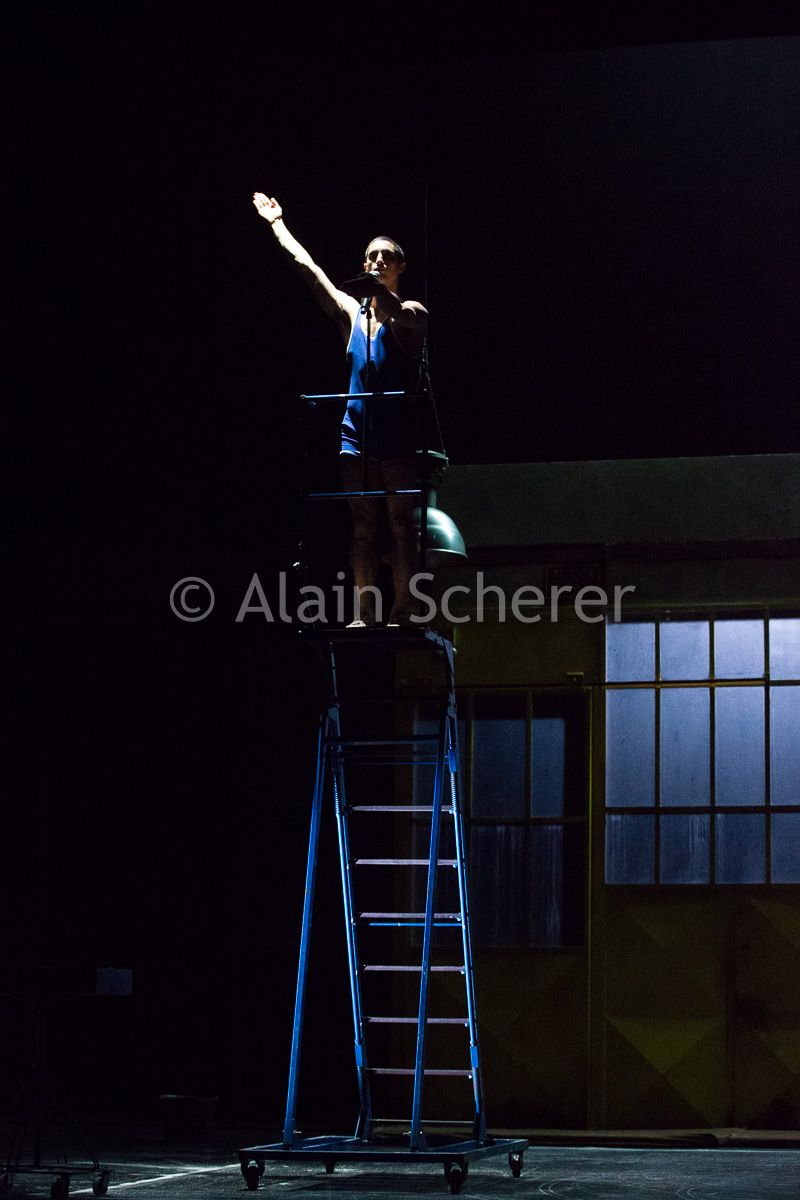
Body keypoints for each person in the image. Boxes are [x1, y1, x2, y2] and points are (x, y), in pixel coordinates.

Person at [253, 193, 428, 626]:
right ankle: (364, 611)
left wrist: (379, 293)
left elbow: (407, 320)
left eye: (387, 257)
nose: (378, 261)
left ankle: (403, 608)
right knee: (362, 526)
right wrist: (277, 225)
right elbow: (308, 270)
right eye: (372, 256)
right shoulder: (351, 314)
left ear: (400, 266)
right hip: (355, 432)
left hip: (397, 433)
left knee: (401, 524)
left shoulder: (410, 309)